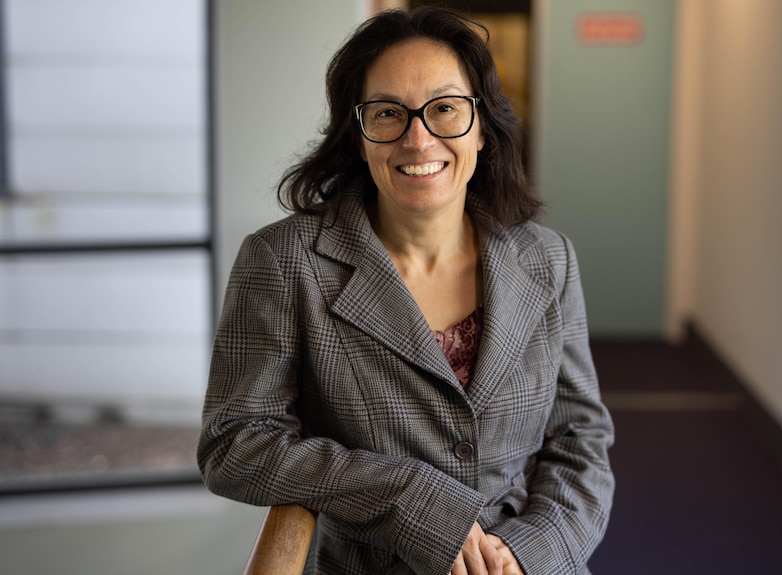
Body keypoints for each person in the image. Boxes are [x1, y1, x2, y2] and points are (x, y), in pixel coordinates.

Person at [198, 6, 614, 574]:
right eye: (389, 112)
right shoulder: (284, 261)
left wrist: (529, 552)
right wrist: (407, 497)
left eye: (445, 109)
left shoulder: (547, 259)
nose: (418, 139)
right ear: (360, 134)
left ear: (482, 130)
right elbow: (235, 443)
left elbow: (580, 436)